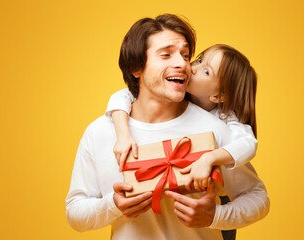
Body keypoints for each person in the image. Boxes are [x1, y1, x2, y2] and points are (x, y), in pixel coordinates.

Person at [66, 14, 269, 240]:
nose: (182, 64)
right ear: (137, 68)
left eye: (185, 55)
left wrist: (215, 216)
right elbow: (75, 212)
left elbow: (258, 197)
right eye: (166, 54)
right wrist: (112, 205)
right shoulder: (101, 131)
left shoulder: (215, 129)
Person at [107, 44, 258, 192]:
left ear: (218, 96)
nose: (193, 68)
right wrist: (123, 135)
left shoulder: (224, 119)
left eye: (206, 71)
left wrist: (209, 159)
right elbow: (123, 95)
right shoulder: (174, 92)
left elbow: (248, 144)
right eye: (199, 60)